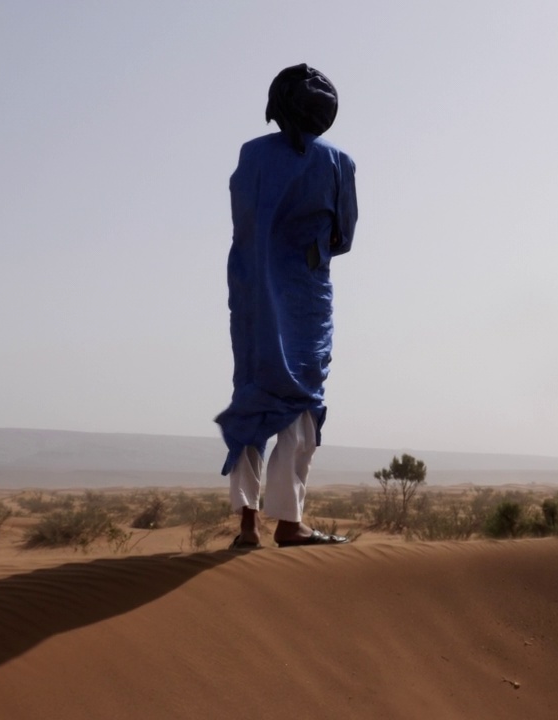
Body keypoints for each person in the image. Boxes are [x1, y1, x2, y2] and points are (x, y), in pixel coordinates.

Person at [215, 64, 358, 549]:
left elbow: (242, 219)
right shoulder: (338, 162)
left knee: (254, 399)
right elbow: (344, 238)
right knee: (300, 404)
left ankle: (248, 526)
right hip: (303, 299)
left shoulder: (252, 155)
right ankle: (289, 523)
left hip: (253, 294)